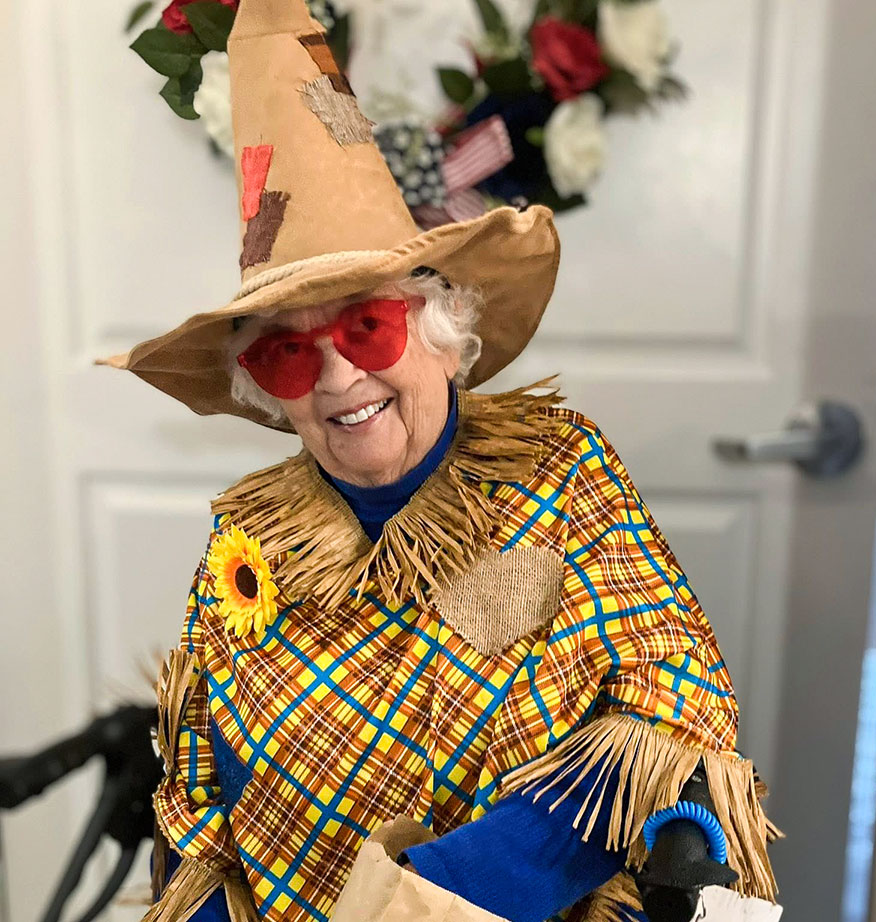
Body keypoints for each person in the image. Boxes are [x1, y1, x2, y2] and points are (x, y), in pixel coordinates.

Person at [102, 1, 779, 920]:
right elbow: (197, 796)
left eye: (367, 327)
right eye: (287, 352)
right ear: (265, 388)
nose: (338, 375)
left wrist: (420, 903)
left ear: (443, 332)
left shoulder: (563, 473)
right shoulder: (243, 542)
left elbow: (668, 703)